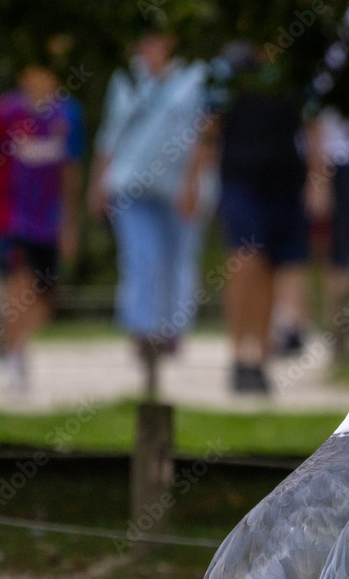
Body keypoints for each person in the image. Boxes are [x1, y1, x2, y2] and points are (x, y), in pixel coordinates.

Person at [0, 55, 84, 391]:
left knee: (45, 299)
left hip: (49, 220)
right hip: (10, 217)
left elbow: (71, 171)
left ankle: (8, 336)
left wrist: (71, 224)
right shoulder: (3, 111)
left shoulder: (67, 115)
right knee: (19, 285)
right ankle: (14, 360)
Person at [188, 42, 310, 393]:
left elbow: (311, 125)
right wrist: (193, 180)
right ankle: (239, 353)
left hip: (286, 181)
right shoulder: (229, 69)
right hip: (241, 180)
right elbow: (209, 129)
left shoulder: (296, 69)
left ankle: (258, 356)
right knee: (245, 262)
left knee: (271, 268)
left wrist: (319, 183)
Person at [88, 29, 211, 363]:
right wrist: (97, 183)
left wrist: (193, 183)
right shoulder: (126, 80)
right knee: (141, 259)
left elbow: (207, 135)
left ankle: (172, 331)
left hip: (180, 189)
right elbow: (109, 134)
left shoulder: (195, 78)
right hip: (131, 185)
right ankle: (142, 331)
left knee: (178, 261)